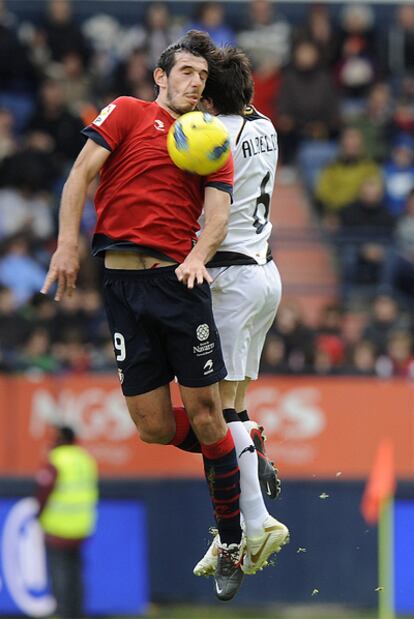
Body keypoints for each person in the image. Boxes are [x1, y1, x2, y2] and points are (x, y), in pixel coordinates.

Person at [41, 31, 244, 602]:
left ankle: (231, 542)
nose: (194, 82)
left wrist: (200, 257)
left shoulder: (209, 138)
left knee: (206, 413)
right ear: (160, 76)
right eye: (184, 72)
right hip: (123, 286)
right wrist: (65, 246)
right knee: (153, 427)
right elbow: (81, 174)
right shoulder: (128, 114)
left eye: (202, 76)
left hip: (178, 283)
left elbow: (219, 212)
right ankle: (240, 447)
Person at [192, 46, 289, 577]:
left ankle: (253, 521)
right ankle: (244, 518)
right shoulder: (267, 126)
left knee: (218, 412)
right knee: (236, 406)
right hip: (267, 273)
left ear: (210, 96)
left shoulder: (216, 137)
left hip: (231, 278)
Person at [35, 425, 98, 619]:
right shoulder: (85, 459)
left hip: (58, 526)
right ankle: (77, 612)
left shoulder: (57, 460)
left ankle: (63, 612)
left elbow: (44, 491)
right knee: (76, 572)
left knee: (60, 572)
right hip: (82, 525)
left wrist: (39, 514)